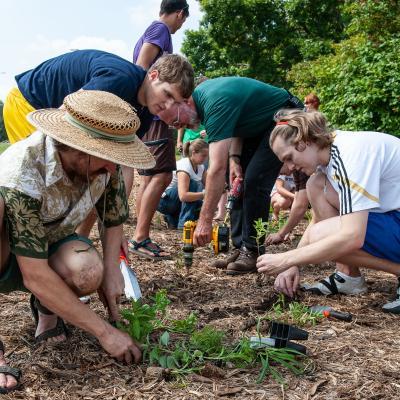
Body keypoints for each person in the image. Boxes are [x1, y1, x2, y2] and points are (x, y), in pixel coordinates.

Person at [0, 90, 156, 393]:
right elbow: (34, 274)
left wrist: (112, 275)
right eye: (108, 158)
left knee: (88, 270)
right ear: (75, 147)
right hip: (5, 251)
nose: (113, 169)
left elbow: (112, 222)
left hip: (48, 245)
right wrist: (105, 333)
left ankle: (47, 313)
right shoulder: (21, 171)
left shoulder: (103, 167)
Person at [256, 109, 400, 314]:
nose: (289, 167)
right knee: (316, 185)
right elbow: (316, 221)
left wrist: (287, 259)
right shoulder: (331, 157)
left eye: (289, 157)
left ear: (303, 141)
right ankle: (348, 276)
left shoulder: (349, 155)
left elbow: (352, 237)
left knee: (322, 234)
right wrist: (292, 264)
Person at [159, 77, 304, 275]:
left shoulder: (214, 101)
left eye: (177, 121)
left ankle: (253, 250)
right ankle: (240, 247)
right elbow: (236, 125)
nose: (179, 127)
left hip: (281, 116)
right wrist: (235, 159)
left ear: (186, 101)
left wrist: (205, 221)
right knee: (238, 180)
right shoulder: (204, 104)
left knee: (255, 181)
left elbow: (216, 168)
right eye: (174, 125)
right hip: (254, 127)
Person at [130, 0, 190, 260]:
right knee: (163, 175)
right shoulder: (160, 30)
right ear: (180, 13)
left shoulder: (154, 30)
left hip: (148, 115)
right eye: (183, 20)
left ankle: (139, 234)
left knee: (150, 176)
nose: (181, 25)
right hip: (153, 117)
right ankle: (140, 237)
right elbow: (141, 68)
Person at [157, 139, 208, 230]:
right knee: (192, 185)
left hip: (173, 200)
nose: (206, 159)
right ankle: (184, 225)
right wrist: (204, 194)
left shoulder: (201, 167)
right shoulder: (185, 166)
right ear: (193, 153)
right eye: (203, 155)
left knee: (201, 205)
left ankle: (172, 219)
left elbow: (208, 184)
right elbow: (183, 196)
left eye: (207, 156)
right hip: (164, 202)